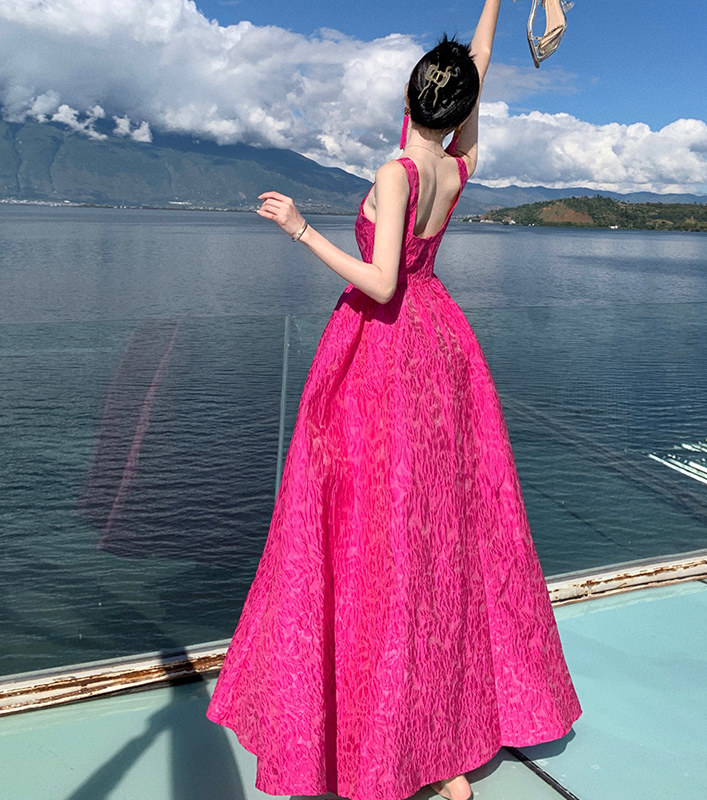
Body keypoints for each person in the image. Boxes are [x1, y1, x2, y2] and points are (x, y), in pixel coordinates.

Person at [206, 2, 581, 799]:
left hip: (382, 356)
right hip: (443, 349)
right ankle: (445, 747)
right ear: (459, 108)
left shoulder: (396, 172)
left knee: (376, 544)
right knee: (435, 544)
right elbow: (477, 69)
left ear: (406, 99)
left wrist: (301, 230)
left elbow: (380, 284)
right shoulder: (457, 164)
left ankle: (394, 748)